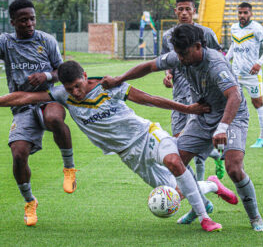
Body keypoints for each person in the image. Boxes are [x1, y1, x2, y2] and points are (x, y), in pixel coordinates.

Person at [0, 60, 239, 232]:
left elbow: (151, 99)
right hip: (129, 155)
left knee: (175, 162)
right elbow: (24, 97)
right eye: (70, 88)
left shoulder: (108, 86)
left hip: (147, 134)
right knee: (173, 194)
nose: (76, 92)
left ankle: (205, 219)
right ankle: (211, 185)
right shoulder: (63, 95)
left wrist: (187, 108)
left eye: (78, 85)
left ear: (84, 75)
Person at [100, 24, 263, 232]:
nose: (179, 58)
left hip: (231, 116)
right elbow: (150, 66)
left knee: (234, 168)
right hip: (202, 114)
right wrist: (120, 79)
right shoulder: (179, 56)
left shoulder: (216, 64)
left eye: (184, 53)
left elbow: (235, 96)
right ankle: (201, 204)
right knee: (176, 161)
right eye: (178, 53)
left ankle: (255, 218)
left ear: (198, 46)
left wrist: (223, 127)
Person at [0, 0, 77, 227]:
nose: (29, 24)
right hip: (22, 105)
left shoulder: (47, 40)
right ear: (13, 22)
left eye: (32, 18)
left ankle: (69, 167)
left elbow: (61, 71)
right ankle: (29, 201)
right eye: (23, 20)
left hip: (48, 97)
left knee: (54, 118)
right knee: (18, 154)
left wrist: (46, 76)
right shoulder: (6, 42)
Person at [161, 0, 225, 183]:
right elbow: (166, 61)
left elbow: (219, 56)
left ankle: (198, 185)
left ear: (194, 11)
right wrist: (168, 75)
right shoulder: (168, 37)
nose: (184, 13)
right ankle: (213, 156)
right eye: (180, 9)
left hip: (200, 96)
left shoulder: (206, 33)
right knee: (177, 142)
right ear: (175, 12)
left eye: (188, 9)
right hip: (179, 96)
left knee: (192, 142)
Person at [226, 2, 263, 149]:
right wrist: (225, 61)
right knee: (230, 102)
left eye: (245, 13)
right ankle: (229, 135)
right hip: (236, 73)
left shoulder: (256, 28)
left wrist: (259, 63)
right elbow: (234, 46)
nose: (242, 16)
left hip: (252, 75)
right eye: (240, 13)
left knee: (257, 103)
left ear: (251, 14)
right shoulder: (234, 27)